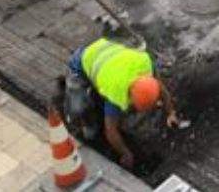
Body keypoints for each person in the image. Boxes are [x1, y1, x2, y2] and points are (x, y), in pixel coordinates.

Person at [63, 37, 179, 172]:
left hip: (107, 51)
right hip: (81, 62)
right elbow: (110, 130)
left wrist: (171, 113)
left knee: (105, 94)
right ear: (130, 96)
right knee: (80, 111)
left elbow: (162, 90)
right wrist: (125, 154)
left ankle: (97, 93)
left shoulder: (145, 66)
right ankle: (87, 125)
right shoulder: (115, 93)